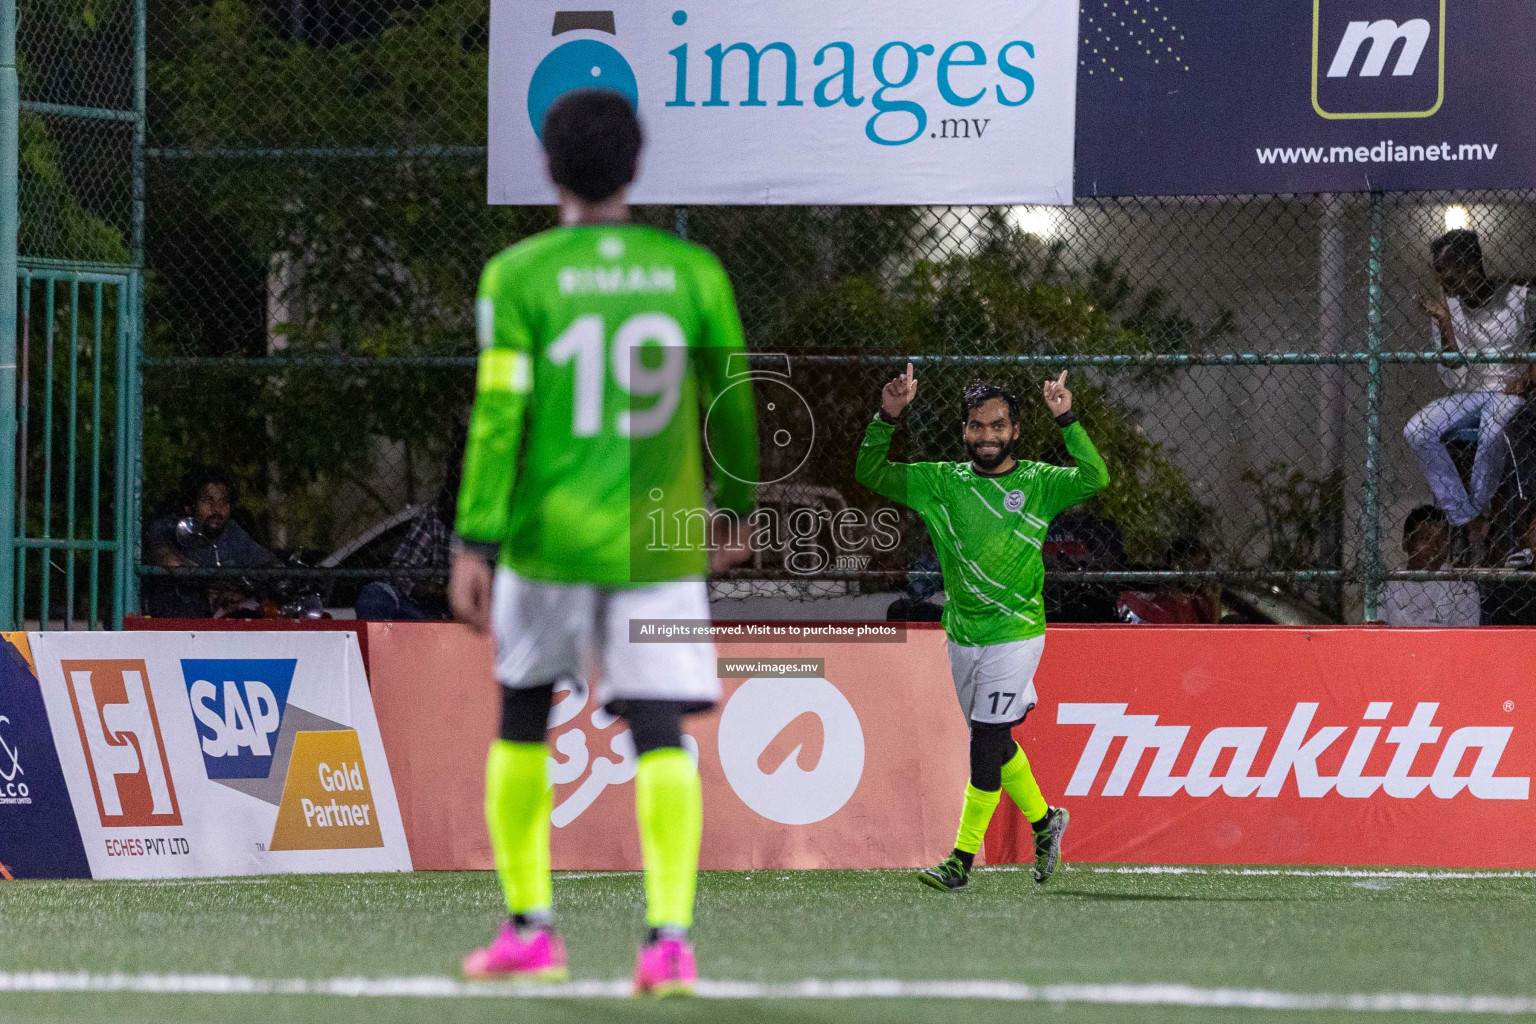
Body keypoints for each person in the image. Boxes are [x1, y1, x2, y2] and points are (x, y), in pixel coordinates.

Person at [447, 89, 758, 994]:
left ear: (548, 168)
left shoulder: (518, 275)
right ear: (638, 165)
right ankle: (668, 941)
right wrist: (734, 510)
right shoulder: (694, 274)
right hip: (657, 546)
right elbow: (736, 408)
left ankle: (530, 931)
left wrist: (475, 538)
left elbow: (500, 416)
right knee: (660, 732)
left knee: (520, 716)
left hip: (546, 542)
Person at [856, 367, 1108, 891]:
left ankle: (960, 861)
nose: (987, 436)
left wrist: (1067, 417)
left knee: (986, 738)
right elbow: (870, 470)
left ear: (1016, 430)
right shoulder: (941, 482)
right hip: (963, 634)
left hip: (1016, 632)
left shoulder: (1039, 482)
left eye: (997, 426)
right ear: (964, 430)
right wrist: (889, 415)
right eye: (977, 426)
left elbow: (1094, 476)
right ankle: (1045, 822)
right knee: (992, 740)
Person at [1403, 230, 1530, 555]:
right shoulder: (1448, 309)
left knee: (1494, 424)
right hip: (1468, 396)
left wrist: (1528, 375)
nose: (1440, 278)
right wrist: (1445, 325)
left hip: (1507, 391)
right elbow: (1453, 380)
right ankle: (1470, 517)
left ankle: (1479, 509)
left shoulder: (1519, 297)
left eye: (1445, 269)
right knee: (1417, 429)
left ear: (1470, 265)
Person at [355, 429, 465, 621]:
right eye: (468, 461)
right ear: (457, 468)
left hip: (491, 619)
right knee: (375, 597)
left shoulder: (512, 515)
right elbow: (401, 570)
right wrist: (434, 589)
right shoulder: (436, 515)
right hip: (437, 618)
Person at [143, 467, 273, 618]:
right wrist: (211, 583)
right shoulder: (169, 527)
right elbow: (168, 561)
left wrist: (238, 589)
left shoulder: (231, 531)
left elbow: (269, 564)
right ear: (189, 507)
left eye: (223, 502)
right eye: (208, 501)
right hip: (174, 616)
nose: (217, 509)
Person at [1380, 505, 1480, 627]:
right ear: (1406, 543)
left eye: (1441, 541)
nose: (1435, 548)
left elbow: (1465, 638)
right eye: (1425, 538)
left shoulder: (1462, 587)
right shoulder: (1386, 585)